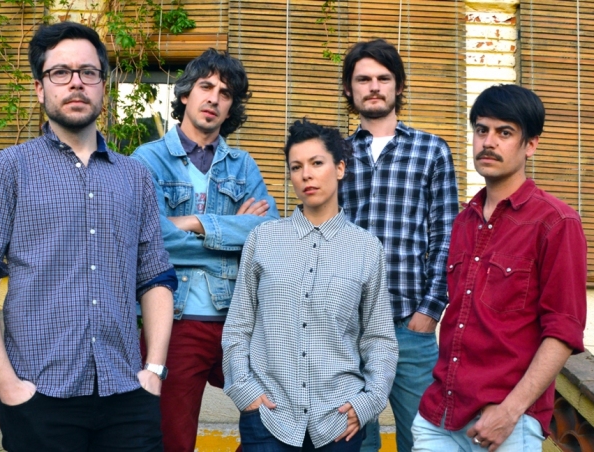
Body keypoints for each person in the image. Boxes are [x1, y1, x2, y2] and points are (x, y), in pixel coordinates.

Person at [0, 21, 177, 451]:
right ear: (40, 88)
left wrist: (154, 370)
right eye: (60, 72)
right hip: (39, 396)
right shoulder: (7, 170)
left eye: (88, 72)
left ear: (103, 86)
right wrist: (7, 384)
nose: (76, 82)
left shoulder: (135, 177)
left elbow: (156, 278)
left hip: (127, 392)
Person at [413, 84, 587, 452]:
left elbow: (563, 331)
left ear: (530, 144)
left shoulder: (556, 223)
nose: (488, 142)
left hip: (505, 425)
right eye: (481, 130)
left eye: (504, 132)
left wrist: (510, 412)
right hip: (439, 418)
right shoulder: (463, 222)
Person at [131, 48, 279, 452]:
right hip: (175, 322)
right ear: (185, 94)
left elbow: (268, 234)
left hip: (242, 322)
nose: (214, 98)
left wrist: (194, 223)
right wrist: (233, 235)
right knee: (173, 440)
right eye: (206, 86)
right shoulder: (147, 160)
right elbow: (151, 240)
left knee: (278, 419)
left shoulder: (243, 165)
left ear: (231, 107)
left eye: (225, 93)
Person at [222, 119, 399, 451]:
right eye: (296, 167)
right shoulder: (263, 239)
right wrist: (244, 390)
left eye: (317, 163)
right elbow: (239, 326)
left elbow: (379, 339)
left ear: (340, 168)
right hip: (269, 419)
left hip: (338, 423)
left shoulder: (366, 248)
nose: (306, 175)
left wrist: (368, 402)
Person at [338, 39, 459, 451]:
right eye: (363, 79)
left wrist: (430, 310)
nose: (374, 87)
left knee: (424, 439)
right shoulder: (333, 154)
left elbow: (447, 236)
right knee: (354, 442)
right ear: (349, 89)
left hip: (410, 325)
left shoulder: (431, 150)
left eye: (383, 78)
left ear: (399, 86)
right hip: (345, 326)